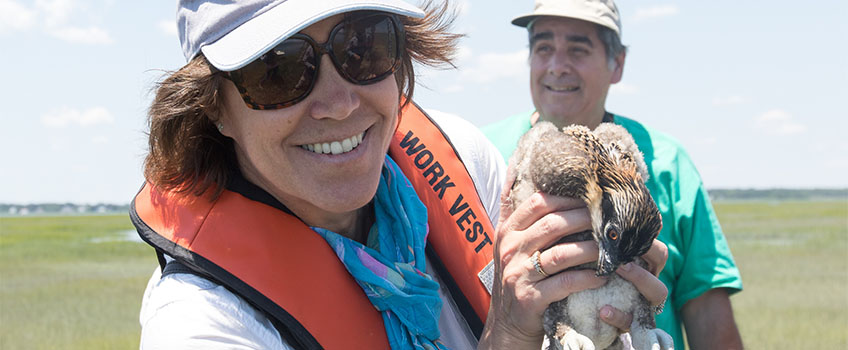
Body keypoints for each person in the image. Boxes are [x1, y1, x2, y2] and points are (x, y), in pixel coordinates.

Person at [132, 0, 669, 349]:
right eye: (278, 71)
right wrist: (506, 335)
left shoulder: (465, 157)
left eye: (363, 47)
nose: (339, 104)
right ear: (214, 108)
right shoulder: (202, 325)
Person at [482, 0, 744, 349]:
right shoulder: (484, 154)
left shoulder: (665, 162)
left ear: (617, 63)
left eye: (578, 49)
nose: (558, 66)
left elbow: (709, 316)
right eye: (543, 47)